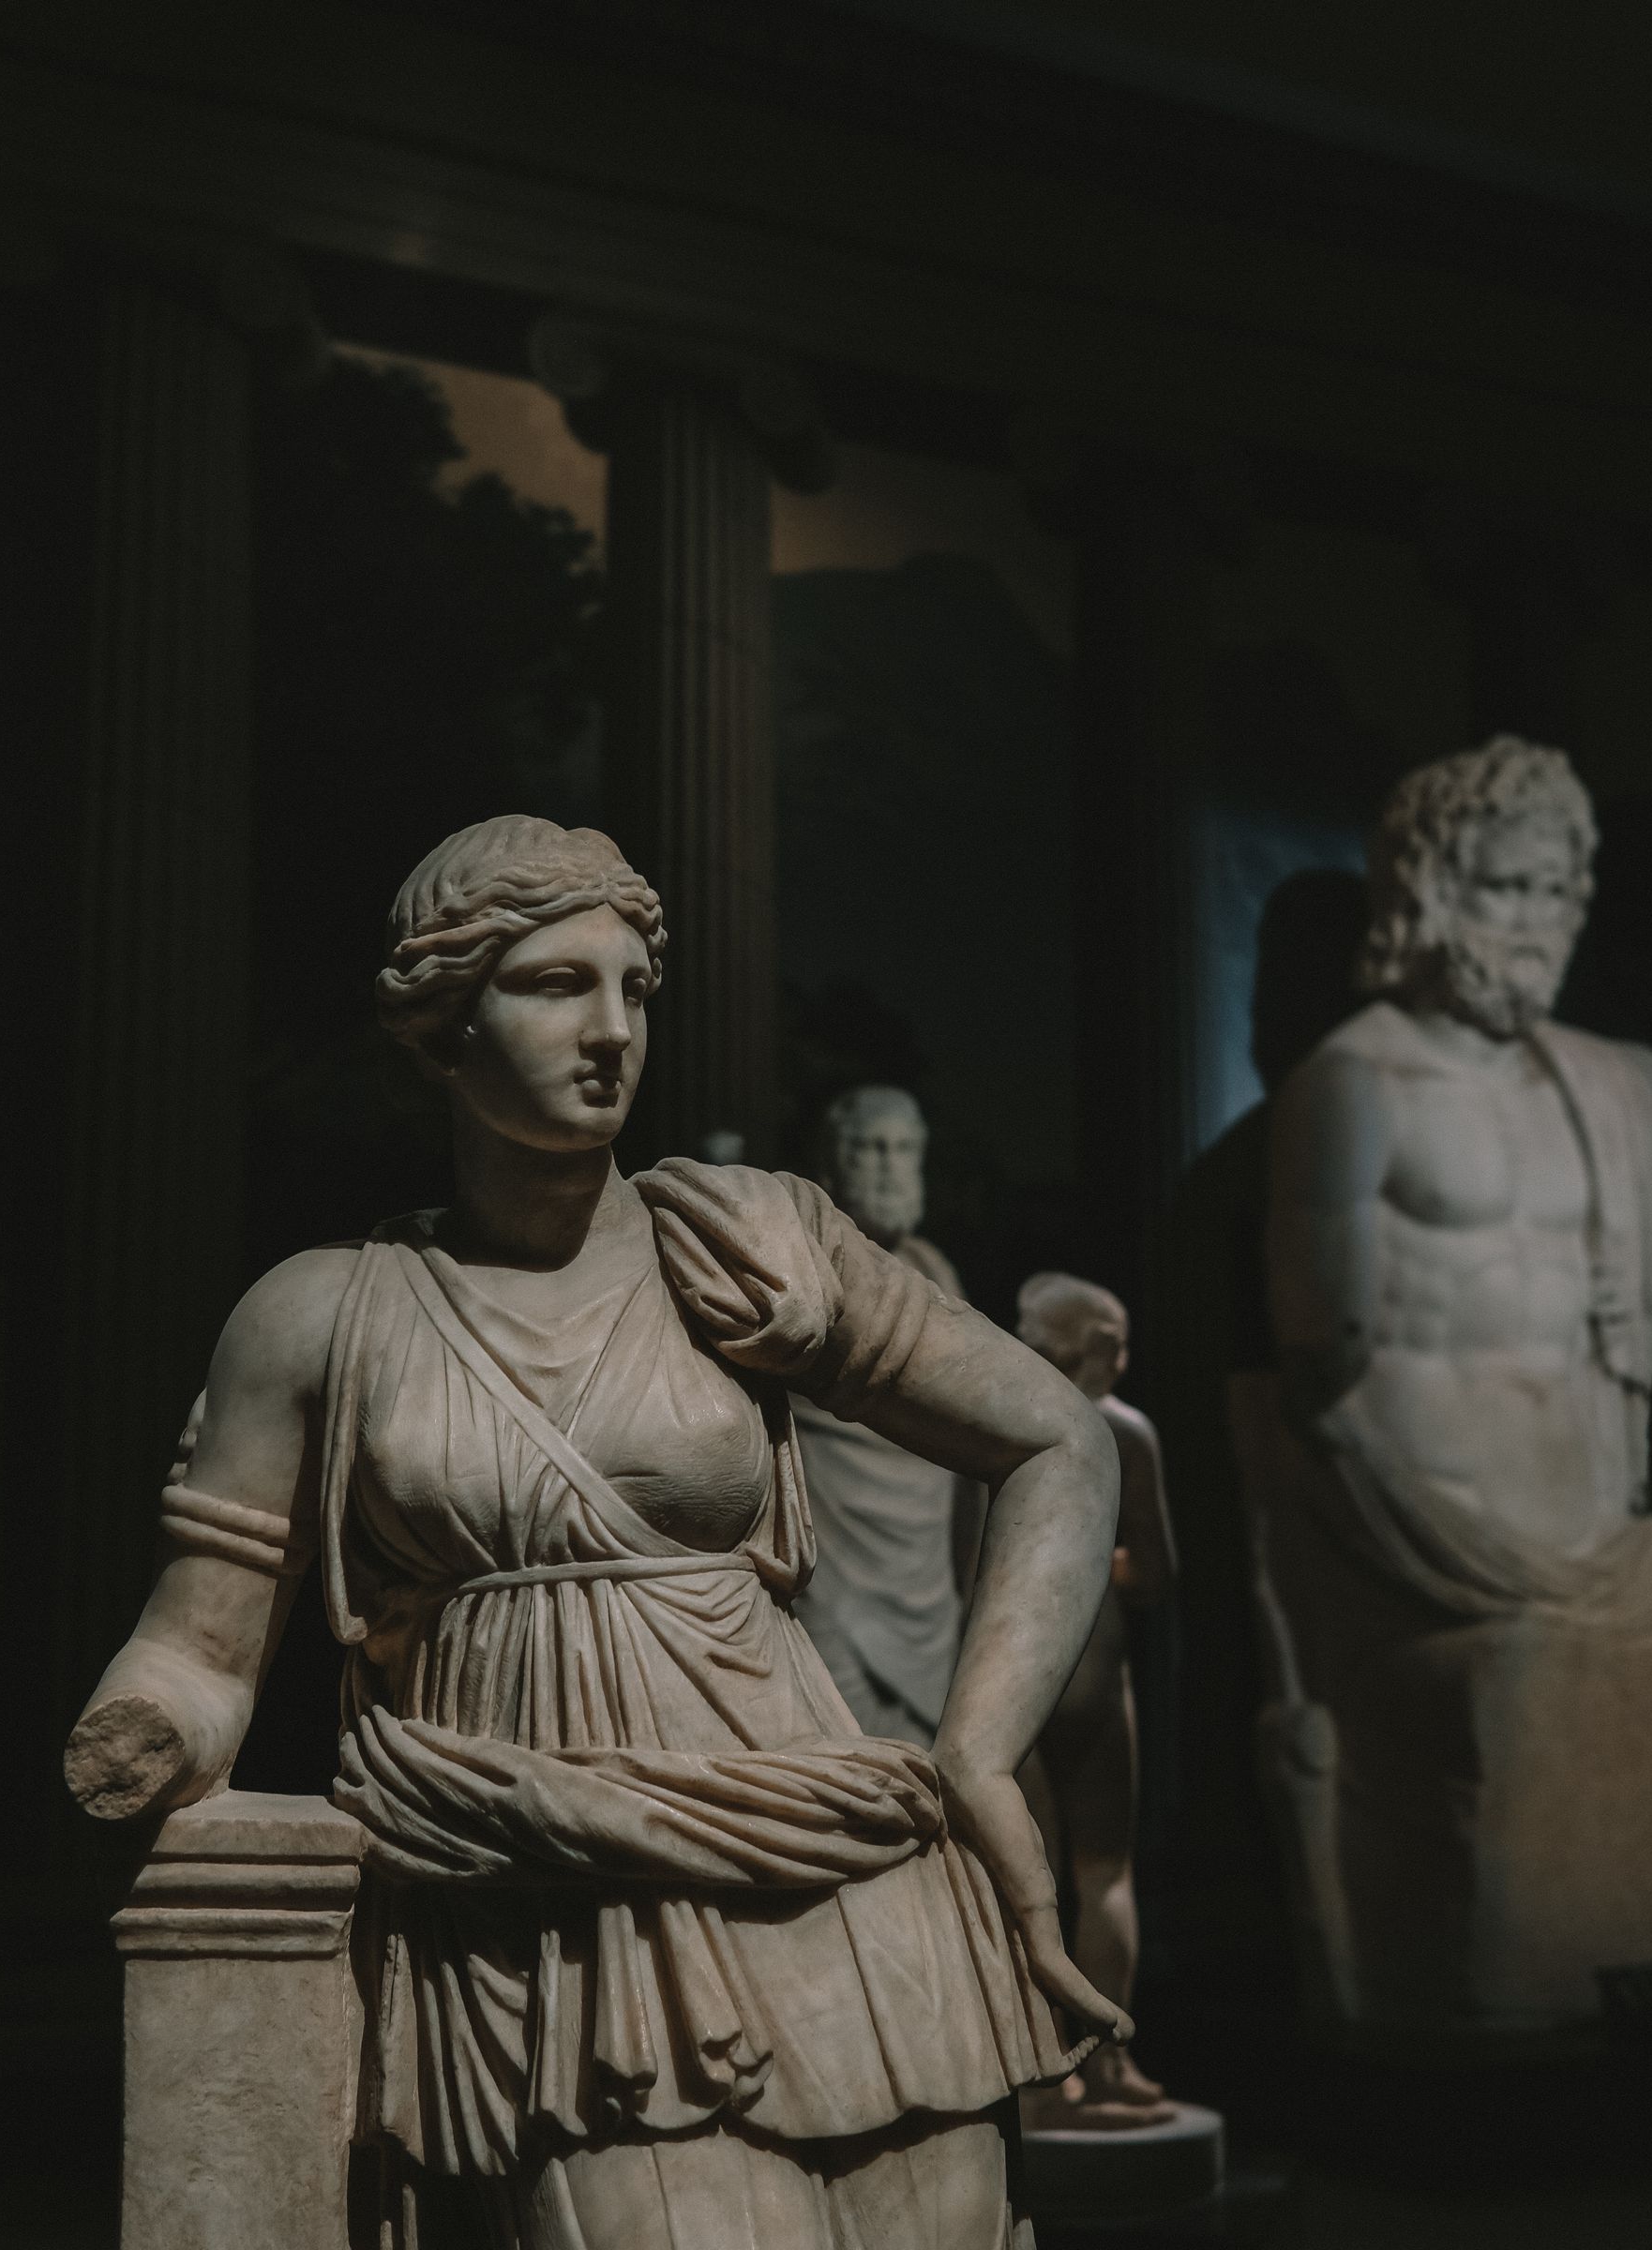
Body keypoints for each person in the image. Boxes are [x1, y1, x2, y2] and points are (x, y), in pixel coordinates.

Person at [65, 816, 1129, 2248]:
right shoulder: (321, 1313)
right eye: (557, 985)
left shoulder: (745, 1245)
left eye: (633, 988)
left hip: (836, 1879)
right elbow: (197, 1648)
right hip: (550, 1914)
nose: (613, 1030)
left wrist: (980, 1749)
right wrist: (146, 1730)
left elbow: (1057, 1437)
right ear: (444, 1019)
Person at [1263, 738, 1652, 2032]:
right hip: (1426, 1551)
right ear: (1429, 891)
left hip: (1605, 1532)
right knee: (1519, 1679)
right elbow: (1319, 1366)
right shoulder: (1354, 1084)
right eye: (1506, 888)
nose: (1539, 924)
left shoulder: (1624, 1085)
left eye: (1559, 892)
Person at [1014, 1277, 1177, 2128]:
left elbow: (968, 1563)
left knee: (1048, 1879)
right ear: (1073, 1348)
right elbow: (1155, 1573)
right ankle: (1087, 2063)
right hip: (1076, 1677)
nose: (1124, 1356)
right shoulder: (1124, 1432)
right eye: (1111, 1340)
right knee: (1090, 1876)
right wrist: (1101, 1565)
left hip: (1024, 1674)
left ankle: (1064, 2067)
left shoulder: (993, 1414)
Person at [791, 1087, 979, 1748]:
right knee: (851, 1773)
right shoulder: (803, 1266)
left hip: (925, 1581)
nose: (889, 1166)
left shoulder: (937, 1274)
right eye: (871, 1149)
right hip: (833, 1569)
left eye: (904, 1150)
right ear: (833, 1164)